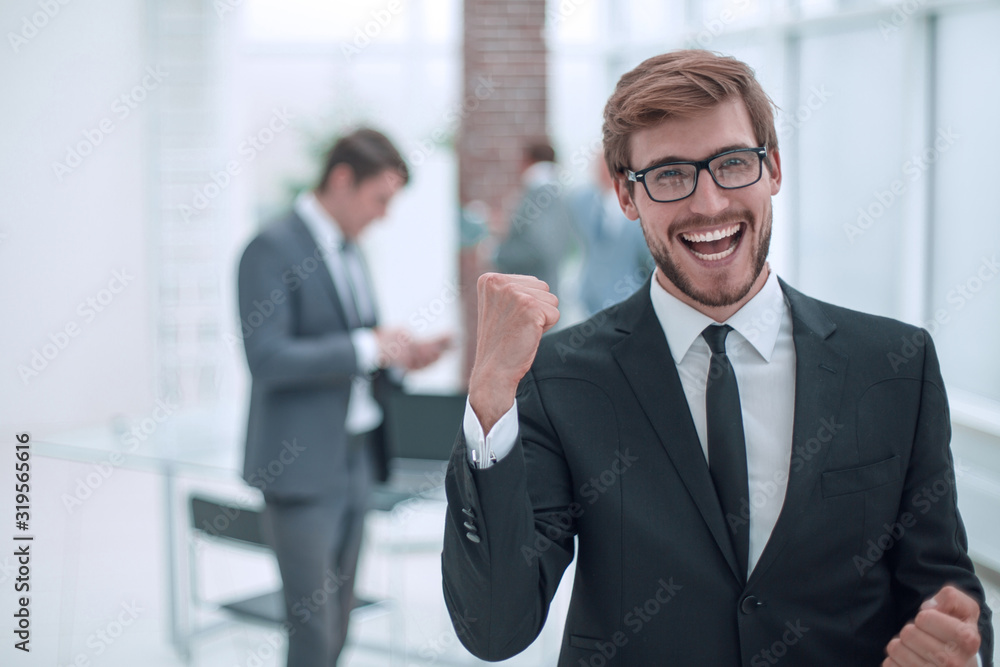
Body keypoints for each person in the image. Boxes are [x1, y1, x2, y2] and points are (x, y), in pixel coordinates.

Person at [441, 51, 994, 666]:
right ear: (628, 196)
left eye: (732, 163)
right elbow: (495, 627)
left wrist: (957, 650)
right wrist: (489, 401)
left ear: (774, 168)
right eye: (671, 174)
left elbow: (945, 593)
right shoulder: (560, 378)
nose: (708, 205)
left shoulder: (894, 365)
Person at [237, 127, 450, 667]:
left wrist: (399, 357)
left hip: (357, 457)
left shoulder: (350, 250)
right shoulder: (270, 247)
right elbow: (267, 358)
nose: (385, 214)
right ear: (340, 179)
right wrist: (365, 346)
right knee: (312, 628)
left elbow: (356, 348)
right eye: (380, 198)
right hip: (303, 466)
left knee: (340, 621)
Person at [568, 157, 653, 316]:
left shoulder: (640, 206)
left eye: (608, 167)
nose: (602, 171)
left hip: (627, 298)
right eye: (600, 166)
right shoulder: (583, 201)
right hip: (590, 298)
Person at [492, 140, 574, 301]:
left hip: (535, 296)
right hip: (543, 293)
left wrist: (495, 254)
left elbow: (540, 248)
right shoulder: (557, 192)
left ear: (527, 161)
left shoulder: (540, 192)